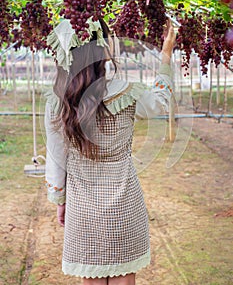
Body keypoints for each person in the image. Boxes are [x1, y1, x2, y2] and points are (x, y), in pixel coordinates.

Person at [44, 16, 175, 285]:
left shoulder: (57, 101)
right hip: (125, 204)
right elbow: (161, 103)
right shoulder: (127, 91)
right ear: (104, 50)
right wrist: (165, 58)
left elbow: (56, 160)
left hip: (82, 209)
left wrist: (60, 201)